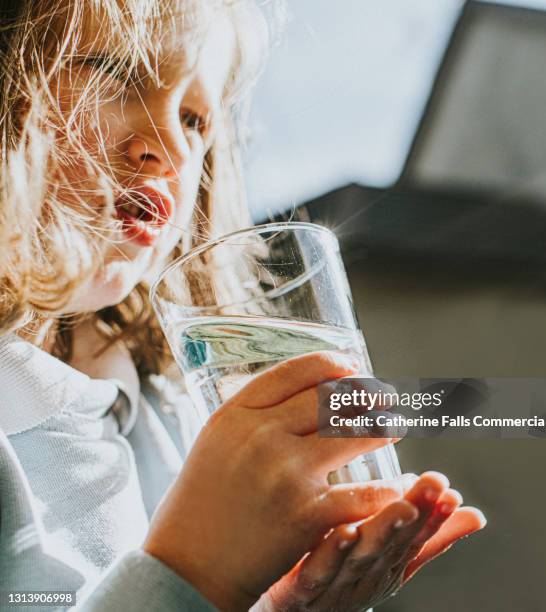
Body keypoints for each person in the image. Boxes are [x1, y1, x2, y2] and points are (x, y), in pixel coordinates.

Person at [0, 1, 486, 610]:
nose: (172, 148)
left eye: (196, 119)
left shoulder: (171, 413)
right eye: (114, 74)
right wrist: (193, 570)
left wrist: (271, 604)